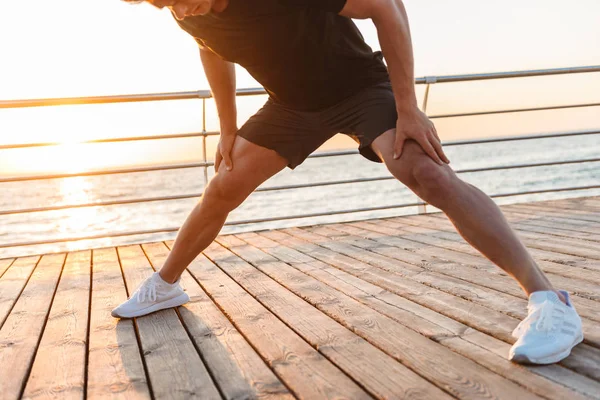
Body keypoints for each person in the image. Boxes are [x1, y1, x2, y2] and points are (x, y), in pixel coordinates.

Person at [112, 0, 583, 365]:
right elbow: (210, 51)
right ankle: (165, 284)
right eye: (158, 3)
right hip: (293, 105)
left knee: (424, 174)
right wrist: (229, 128)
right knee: (223, 186)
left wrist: (407, 108)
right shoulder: (185, 13)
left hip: (361, 88)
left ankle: (549, 300)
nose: (173, 7)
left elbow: (385, 7)